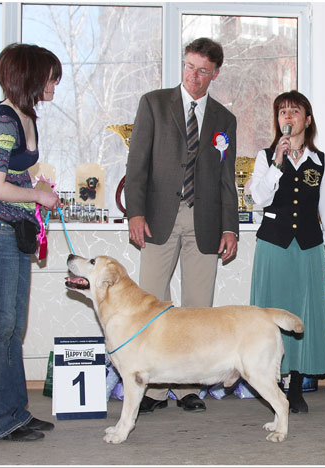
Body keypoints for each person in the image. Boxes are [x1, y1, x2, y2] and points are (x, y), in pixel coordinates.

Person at [124, 37, 239, 414]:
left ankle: (190, 388)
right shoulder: (153, 104)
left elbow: (226, 179)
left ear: (215, 74)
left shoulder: (224, 119)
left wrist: (230, 227)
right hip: (157, 219)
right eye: (189, 67)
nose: (193, 75)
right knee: (151, 307)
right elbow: (136, 164)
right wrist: (135, 212)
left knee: (198, 311)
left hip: (205, 223)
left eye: (202, 70)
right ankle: (154, 391)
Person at [0, 43, 62, 441]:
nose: (54, 84)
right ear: (30, 78)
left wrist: (36, 189)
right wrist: (37, 195)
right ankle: (0, 422)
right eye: (50, 77)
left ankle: (16, 413)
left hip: (13, 233)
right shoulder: (4, 122)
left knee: (13, 328)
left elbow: (12, 175)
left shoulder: (26, 117)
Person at [248, 90, 325, 413]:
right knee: (270, 315)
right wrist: (277, 162)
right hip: (273, 246)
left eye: (294, 111)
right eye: (282, 112)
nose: (287, 117)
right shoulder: (265, 157)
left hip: (308, 247)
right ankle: (271, 383)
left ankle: (297, 386)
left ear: (308, 119)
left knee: (303, 315)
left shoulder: (321, 162)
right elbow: (259, 199)